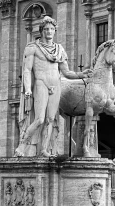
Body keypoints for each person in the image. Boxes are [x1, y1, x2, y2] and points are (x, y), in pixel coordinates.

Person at [15, 16, 91, 157]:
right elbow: (27, 70)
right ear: (42, 31)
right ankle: (22, 146)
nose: (49, 32)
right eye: (46, 29)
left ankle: (44, 149)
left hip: (56, 85)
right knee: (40, 119)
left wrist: (82, 74)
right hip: (41, 84)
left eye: (52, 29)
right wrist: (27, 89)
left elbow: (67, 73)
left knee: (50, 119)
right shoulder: (33, 48)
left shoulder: (59, 49)